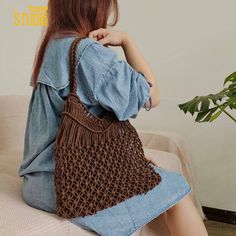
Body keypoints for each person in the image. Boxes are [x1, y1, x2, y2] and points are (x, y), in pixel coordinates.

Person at [18, 0, 208, 235]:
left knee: (160, 186)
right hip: (67, 185)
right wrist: (128, 41)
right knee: (175, 187)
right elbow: (151, 95)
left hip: (37, 182)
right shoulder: (87, 53)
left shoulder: (52, 46)